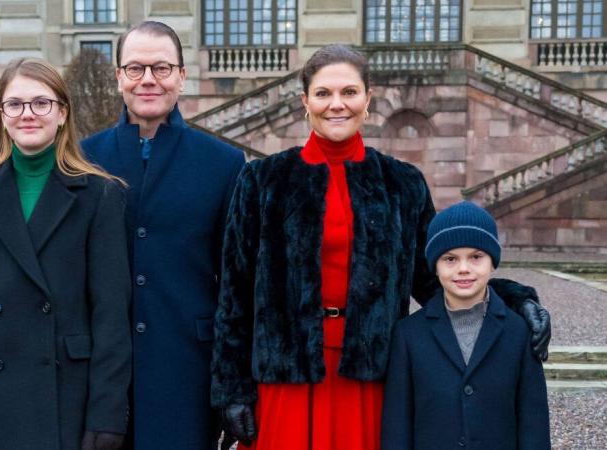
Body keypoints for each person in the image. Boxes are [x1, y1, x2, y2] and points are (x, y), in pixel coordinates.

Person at [210, 44, 551, 450]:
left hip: (371, 372)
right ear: (305, 102)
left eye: (349, 92)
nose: (337, 104)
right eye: (323, 93)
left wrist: (513, 299)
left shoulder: (402, 183)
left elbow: (433, 276)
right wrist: (231, 388)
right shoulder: (261, 181)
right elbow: (235, 293)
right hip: (287, 376)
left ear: (368, 100)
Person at [0, 58, 132, 450]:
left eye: (41, 103)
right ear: (2, 115)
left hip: (68, 395)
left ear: (62, 113)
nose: (28, 114)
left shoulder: (101, 194)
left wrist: (107, 414)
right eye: (15, 104)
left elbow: (111, 315)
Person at [80, 21, 245, 450]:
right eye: (135, 68)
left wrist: (234, 385)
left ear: (181, 76)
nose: (148, 79)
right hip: (99, 375)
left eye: (161, 67)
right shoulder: (83, 159)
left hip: (188, 370)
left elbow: (236, 284)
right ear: (118, 77)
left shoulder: (224, 163)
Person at [381, 201, 551, 450]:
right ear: (434, 267)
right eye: (450, 259)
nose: (463, 269)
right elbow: (397, 427)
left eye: (476, 257)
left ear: (492, 262)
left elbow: (534, 423)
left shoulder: (519, 331)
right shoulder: (408, 335)